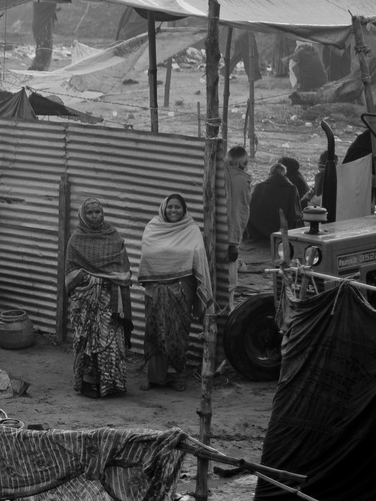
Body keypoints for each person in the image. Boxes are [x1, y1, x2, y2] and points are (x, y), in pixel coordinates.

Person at [139, 193, 212, 389]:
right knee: (153, 331)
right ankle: (153, 375)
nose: (173, 210)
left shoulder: (191, 229)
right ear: (164, 208)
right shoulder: (153, 228)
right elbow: (148, 255)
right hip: (154, 289)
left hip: (180, 289)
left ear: (184, 209)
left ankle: (175, 374)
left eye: (177, 207)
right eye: (170, 207)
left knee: (177, 332)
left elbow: (197, 256)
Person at [64, 198, 133, 397]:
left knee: (110, 342)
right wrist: (91, 281)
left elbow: (123, 268)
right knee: (86, 342)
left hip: (110, 301)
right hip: (86, 302)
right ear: (83, 216)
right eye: (90, 213)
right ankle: (87, 383)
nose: (94, 216)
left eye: (98, 212)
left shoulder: (113, 236)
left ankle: (111, 384)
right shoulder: (76, 239)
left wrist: (109, 280)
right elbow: (70, 273)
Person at [244, 162, 302, 245]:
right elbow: (295, 213)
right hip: (281, 227)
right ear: (284, 174)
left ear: (270, 174)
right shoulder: (291, 188)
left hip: (259, 228)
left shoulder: (259, 186)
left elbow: (250, 207)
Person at [225, 145, 252, 295]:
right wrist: (233, 242)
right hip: (231, 235)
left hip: (216, 230)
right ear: (242, 163)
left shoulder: (220, 172)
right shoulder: (241, 181)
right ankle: (227, 312)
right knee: (229, 281)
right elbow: (239, 210)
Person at [29, 0, 57, 71]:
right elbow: (50, 4)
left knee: (46, 47)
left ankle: (40, 68)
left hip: (43, 25)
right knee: (44, 47)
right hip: (41, 26)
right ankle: (36, 68)